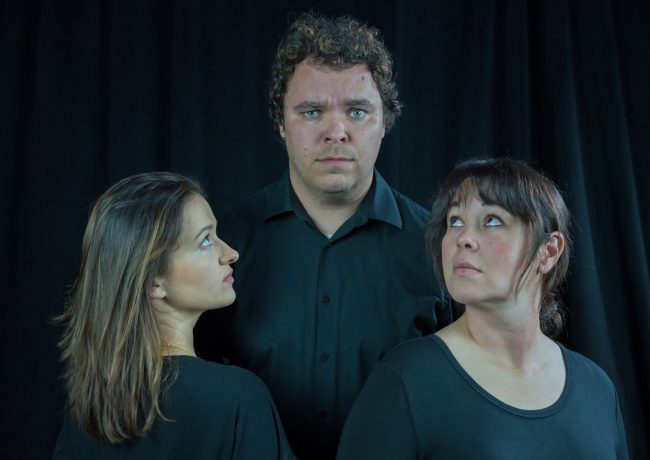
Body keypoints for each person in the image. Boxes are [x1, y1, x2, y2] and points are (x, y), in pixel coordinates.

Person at [194, 12, 452, 460]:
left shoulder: (442, 248)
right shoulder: (223, 243)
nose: (336, 131)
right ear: (280, 124)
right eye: (312, 112)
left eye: (357, 111)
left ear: (385, 121)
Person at [337, 157, 629, 459]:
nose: (464, 238)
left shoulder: (596, 388)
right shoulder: (404, 381)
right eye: (455, 221)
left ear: (549, 250)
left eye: (492, 220)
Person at [53, 172, 295, 459]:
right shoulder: (238, 398)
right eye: (205, 241)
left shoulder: (87, 407)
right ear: (154, 282)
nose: (230, 253)